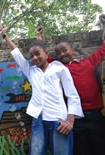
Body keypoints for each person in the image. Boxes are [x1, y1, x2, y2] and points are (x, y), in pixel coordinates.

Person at [0, 26, 84, 155]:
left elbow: (72, 95)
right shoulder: (31, 71)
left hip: (59, 120)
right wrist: (5, 36)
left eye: (37, 54)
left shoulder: (59, 69)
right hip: (38, 119)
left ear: (47, 53)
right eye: (31, 56)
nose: (34, 58)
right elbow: (17, 54)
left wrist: (70, 121)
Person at [52, 14, 105, 155]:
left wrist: (104, 25)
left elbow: (103, 48)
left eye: (65, 50)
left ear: (73, 51)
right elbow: (43, 57)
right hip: (75, 117)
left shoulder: (88, 62)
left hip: (95, 114)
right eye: (58, 53)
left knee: (99, 146)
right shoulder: (59, 68)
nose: (62, 54)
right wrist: (39, 38)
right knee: (80, 149)